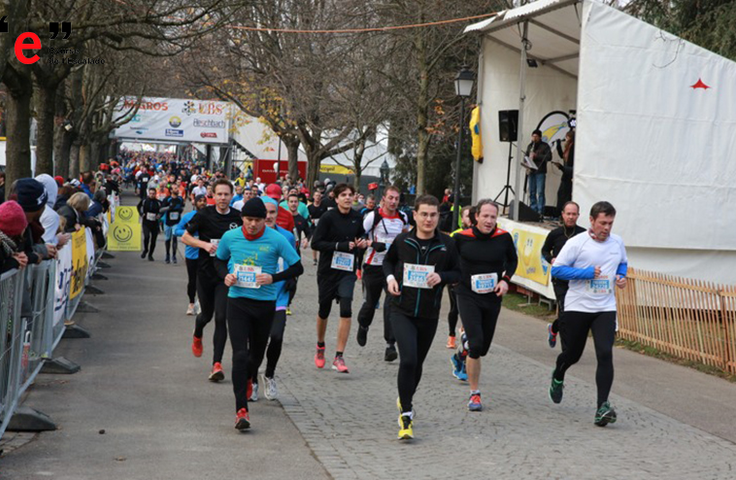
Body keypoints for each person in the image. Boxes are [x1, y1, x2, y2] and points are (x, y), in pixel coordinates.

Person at [214, 197, 303, 430]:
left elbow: (298, 267)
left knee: (255, 357)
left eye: (257, 220)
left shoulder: (277, 239)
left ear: (265, 219)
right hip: (238, 302)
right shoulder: (230, 237)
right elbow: (219, 261)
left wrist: (274, 277)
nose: (253, 224)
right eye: (248, 219)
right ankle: (241, 410)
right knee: (239, 355)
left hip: (265, 305)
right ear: (242, 218)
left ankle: (250, 377)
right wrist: (225, 275)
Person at [383, 194, 460, 439]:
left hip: (428, 314)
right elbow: (388, 262)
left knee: (416, 364)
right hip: (401, 310)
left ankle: (405, 397)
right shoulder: (403, 240)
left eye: (433, 214)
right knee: (408, 360)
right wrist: (390, 278)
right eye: (424, 214)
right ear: (414, 215)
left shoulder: (447, 244)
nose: (428, 219)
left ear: (439, 216)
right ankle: (406, 413)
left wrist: (442, 277)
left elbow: (458, 272)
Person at [548, 201, 628, 427]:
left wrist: (621, 277)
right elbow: (558, 269)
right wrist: (585, 273)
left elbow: (622, 263)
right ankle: (558, 373)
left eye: (610, 223)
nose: (607, 228)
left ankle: (602, 406)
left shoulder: (617, 242)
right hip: (578, 306)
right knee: (572, 354)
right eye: (602, 223)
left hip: (605, 307)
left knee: (605, 353)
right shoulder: (576, 243)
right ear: (591, 221)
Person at [454, 199, 518, 412]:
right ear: (476, 217)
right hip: (467, 294)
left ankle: (464, 346)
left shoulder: (503, 238)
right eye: (485, 216)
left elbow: (512, 261)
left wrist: (505, 280)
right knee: (477, 344)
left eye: (493, 217)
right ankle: (474, 394)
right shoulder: (462, 238)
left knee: (483, 348)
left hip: (491, 297)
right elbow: (449, 261)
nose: (489, 221)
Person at [182, 179, 243, 382]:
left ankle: (216, 364)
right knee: (206, 316)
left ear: (232, 195)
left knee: (221, 318)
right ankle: (198, 332)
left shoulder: (238, 217)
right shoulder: (204, 215)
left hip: (225, 275)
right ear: (213, 196)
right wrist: (204, 245)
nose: (223, 198)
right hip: (206, 273)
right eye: (219, 194)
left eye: (226, 194)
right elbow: (185, 237)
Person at [310, 183, 367, 373]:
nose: (348, 198)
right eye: (344, 195)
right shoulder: (328, 217)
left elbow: (361, 238)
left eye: (351, 194)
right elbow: (316, 243)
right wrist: (338, 246)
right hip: (327, 271)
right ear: (336, 198)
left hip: (347, 271)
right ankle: (320, 345)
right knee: (324, 309)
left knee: (346, 307)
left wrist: (362, 243)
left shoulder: (357, 217)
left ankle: (339, 356)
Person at [248, 197, 297, 401]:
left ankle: (269, 374)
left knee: (276, 336)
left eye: (272, 212)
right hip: (255, 296)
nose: (268, 216)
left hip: (278, 296)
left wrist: (292, 279)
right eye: (265, 213)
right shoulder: (251, 236)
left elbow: (294, 262)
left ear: (278, 214)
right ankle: (252, 380)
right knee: (255, 342)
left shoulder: (286, 236)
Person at [356, 186, 408, 361]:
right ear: (383, 199)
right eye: (390, 198)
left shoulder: (403, 217)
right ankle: (363, 325)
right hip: (374, 265)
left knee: (392, 303)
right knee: (371, 303)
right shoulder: (373, 217)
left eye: (396, 198)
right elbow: (358, 237)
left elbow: (406, 235)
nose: (393, 202)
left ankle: (390, 344)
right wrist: (371, 244)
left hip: (393, 268)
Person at [541, 201, 585, 348]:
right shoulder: (555, 234)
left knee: (574, 314)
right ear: (563, 215)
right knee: (565, 312)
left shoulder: (584, 234)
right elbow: (545, 251)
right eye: (568, 214)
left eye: (574, 214)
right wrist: (551, 259)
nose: (571, 217)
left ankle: (553, 329)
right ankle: (567, 349)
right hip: (560, 279)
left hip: (578, 279)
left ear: (578, 215)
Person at [446, 206, 473, 350]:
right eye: (467, 216)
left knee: (469, 308)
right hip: (455, 277)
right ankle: (451, 336)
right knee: (455, 308)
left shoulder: (477, 235)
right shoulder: (456, 235)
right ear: (462, 219)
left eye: (472, 216)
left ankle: (465, 331)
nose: (469, 219)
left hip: (470, 278)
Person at [176, 194, 207, 315]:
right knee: (192, 280)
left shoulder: (209, 216)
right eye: (200, 201)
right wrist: (189, 234)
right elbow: (177, 230)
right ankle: (191, 303)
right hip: (191, 254)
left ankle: (201, 303)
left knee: (204, 280)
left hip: (205, 254)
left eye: (204, 201)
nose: (202, 203)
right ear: (195, 203)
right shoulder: (188, 217)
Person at [523, 129, 552, 216]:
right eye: (533, 136)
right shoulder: (530, 146)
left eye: (536, 136)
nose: (534, 138)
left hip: (540, 171)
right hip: (531, 171)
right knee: (531, 191)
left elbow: (549, 157)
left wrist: (536, 156)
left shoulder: (545, 146)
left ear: (540, 137)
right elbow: (525, 156)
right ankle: (533, 209)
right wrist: (525, 160)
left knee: (540, 192)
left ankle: (540, 211)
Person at [552, 130, 575, 211]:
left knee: (564, 194)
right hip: (565, 172)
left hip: (569, 173)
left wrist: (562, 167)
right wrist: (558, 145)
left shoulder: (573, 147)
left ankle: (563, 212)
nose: (566, 139)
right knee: (561, 193)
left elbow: (570, 162)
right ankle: (560, 212)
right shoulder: (568, 147)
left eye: (567, 137)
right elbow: (562, 156)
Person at [138, 187, 162, 261]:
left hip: (155, 223)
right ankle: (145, 250)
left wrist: (159, 215)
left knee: (153, 240)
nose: (152, 195)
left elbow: (162, 210)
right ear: (148, 193)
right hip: (146, 222)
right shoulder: (144, 201)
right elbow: (138, 207)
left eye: (153, 194)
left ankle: (150, 254)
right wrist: (141, 214)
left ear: (155, 194)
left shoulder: (158, 202)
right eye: (150, 193)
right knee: (146, 236)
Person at [162, 187, 185, 264]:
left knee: (174, 237)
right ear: (171, 190)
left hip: (176, 222)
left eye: (177, 188)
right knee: (167, 239)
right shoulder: (167, 199)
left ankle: (174, 256)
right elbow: (161, 209)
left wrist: (180, 210)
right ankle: (167, 255)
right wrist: (169, 208)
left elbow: (182, 207)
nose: (177, 190)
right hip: (167, 222)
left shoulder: (180, 199)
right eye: (175, 188)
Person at [308, 190, 328, 265]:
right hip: (313, 227)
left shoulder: (323, 207)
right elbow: (308, 218)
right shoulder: (310, 207)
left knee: (322, 242)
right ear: (313, 197)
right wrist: (311, 220)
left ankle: (322, 258)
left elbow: (326, 217)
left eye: (319, 196)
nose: (318, 197)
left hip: (321, 226)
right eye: (316, 195)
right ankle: (314, 258)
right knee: (314, 241)